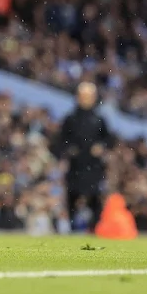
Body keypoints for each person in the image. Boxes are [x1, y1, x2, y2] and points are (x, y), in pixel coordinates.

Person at [54, 81, 112, 230]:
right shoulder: (71, 118)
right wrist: (69, 149)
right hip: (76, 165)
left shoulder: (99, 119)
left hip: (93, 165)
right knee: (72, 197)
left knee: (94, 198)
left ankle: (95, 228)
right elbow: (61, 140)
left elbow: (109, 139)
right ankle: (73, 228)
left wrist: (101, 146)